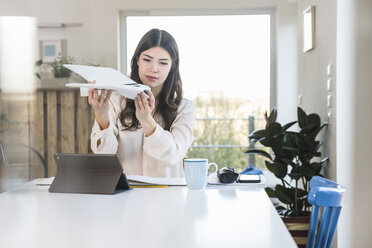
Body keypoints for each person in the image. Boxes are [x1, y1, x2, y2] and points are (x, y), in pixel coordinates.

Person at [88, 29, 196, 178]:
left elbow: (174, 155)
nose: (154, 69)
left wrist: (146, 120)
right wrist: (100, 114)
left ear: (172, 66)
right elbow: (104, 154)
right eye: (147, 59)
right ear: (137, 60)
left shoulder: (184, 108)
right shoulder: (115, 101)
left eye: (163, 63)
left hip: (169, 196)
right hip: (126, 195)